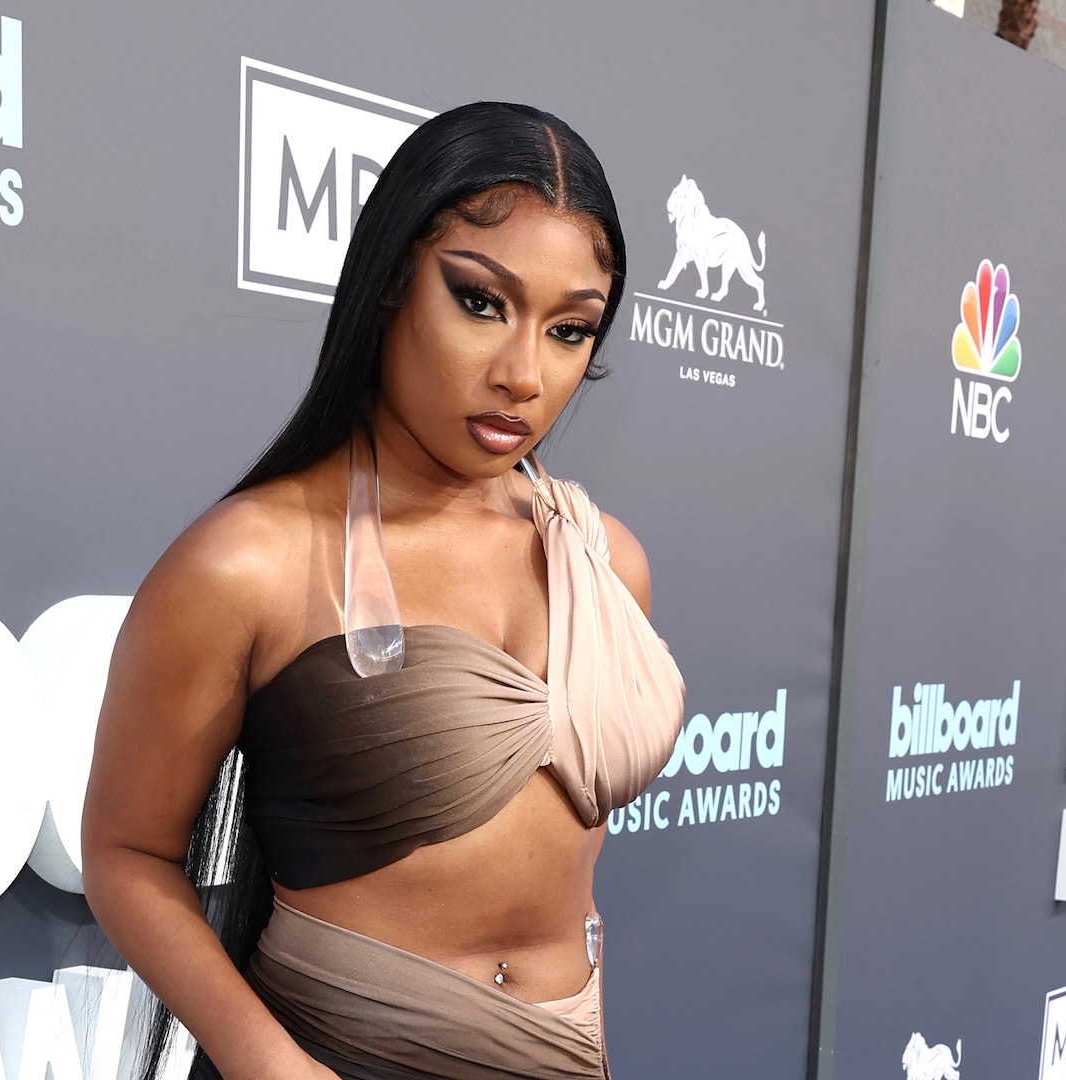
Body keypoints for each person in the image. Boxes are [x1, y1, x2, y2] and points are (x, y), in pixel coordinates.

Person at [80, 101, 686, 1080]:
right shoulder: (250, 563)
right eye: (481, 302)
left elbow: (567, 881)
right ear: (393, 281)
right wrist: (265, 1061)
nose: (524, 374)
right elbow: (126, 853)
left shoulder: (607, 563)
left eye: (570, 329)